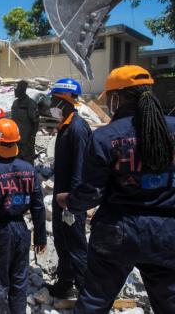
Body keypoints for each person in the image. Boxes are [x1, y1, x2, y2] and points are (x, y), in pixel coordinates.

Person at [56, 65, 175, 314]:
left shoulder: (106, 136)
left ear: (117, 97)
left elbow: (93, 193)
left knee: (94, 302)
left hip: (118, 231)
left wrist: (70, 202)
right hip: (167, 232)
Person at [0, 118, 47, 314]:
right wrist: (40, 236)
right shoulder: (29, 169)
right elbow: (38, 206)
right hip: (22, 231)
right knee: (19, 282)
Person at [45, 78, 91, 298]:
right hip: (60, 197)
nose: (51, 105)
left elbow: (81, 171)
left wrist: (72, 205)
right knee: (62, 241)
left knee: (76, 246)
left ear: (63, 102)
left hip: (71, 201)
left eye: (54, 100)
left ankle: (86, 294)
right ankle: (65, 282)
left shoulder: (77, 129)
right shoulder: (64, 126)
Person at [12, 80, 39, 164]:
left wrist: (32, 136)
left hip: (26, 140)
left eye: (17, 88)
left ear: (23, 89)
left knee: (27, 162)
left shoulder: (30, 103)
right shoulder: (15, 103)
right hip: (15, 139)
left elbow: (36, 121)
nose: (15, 90)